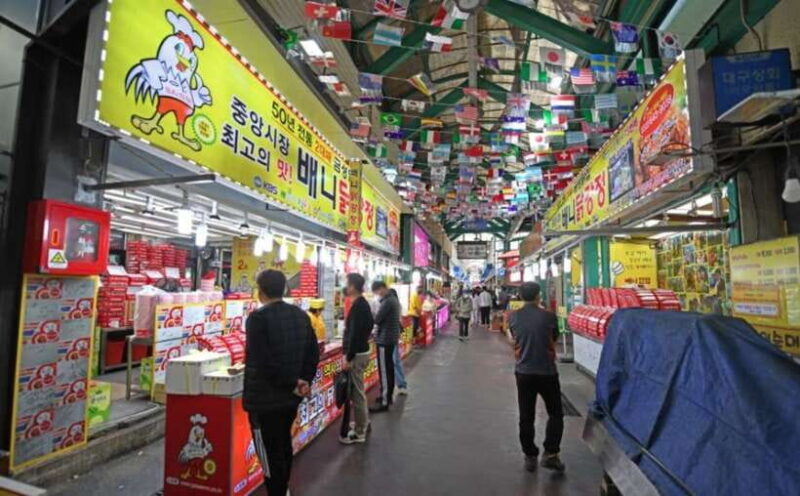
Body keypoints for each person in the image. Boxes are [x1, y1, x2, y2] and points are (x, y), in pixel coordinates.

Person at [244, 270, 320, 495]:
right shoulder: (300, 315)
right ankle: (284, 488)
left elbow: (263, 362)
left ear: (261, 291)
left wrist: (292, 382)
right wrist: (303, 380)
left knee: (269, 453)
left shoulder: (257, 319)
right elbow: (313, 352)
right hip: (291, 399)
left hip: (264, 400)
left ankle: (277, 491)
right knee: (284, 444)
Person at [508, 282, 565, 473]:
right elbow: (554, 338)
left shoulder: (513, 317)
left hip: (523, 372)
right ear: (538, 296)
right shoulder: (549, 316)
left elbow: (513, 339)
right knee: (556, 413)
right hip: (547, 372)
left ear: (520, 297)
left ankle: (530, 453)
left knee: (526, 415)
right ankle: (550, 453)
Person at [340, 273, 374, 445]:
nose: (345, 286)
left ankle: (360, 431)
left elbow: (354, 334)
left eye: (347, 283)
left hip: (357, 355)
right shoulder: (362, 304)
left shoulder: (359, 306)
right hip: (362, 351)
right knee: (358, 391)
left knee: (357, 393)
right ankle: (363, 421)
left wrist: (349, 356)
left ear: (352, 286)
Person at [370, 281, 401, 412]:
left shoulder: (388, 301)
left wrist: (371, 312)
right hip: (390, 338)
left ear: (382, 288)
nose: (378, 295)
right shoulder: (393, 299)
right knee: (388, 368)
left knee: (384, 370)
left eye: (378, 292)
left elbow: (377, 319)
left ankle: (385, 400)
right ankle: (387, 395)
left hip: (385, 339)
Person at [390, 289, 409, 395]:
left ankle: (400, 383)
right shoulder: (398, 305)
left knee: (394, 360)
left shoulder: (392, 306)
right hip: (395, 335)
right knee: (396, 360)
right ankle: (401, 383)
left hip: (391, 336)